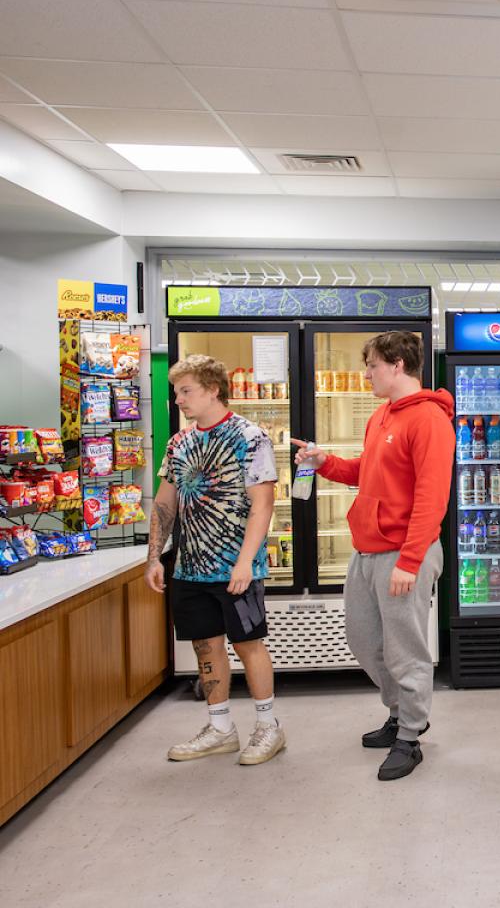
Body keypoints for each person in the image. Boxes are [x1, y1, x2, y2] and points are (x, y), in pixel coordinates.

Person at [293, 331, 454, 781]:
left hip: (404, 552)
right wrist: (324, 461)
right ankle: (399, 712)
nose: (366, 375)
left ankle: (410, 735)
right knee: (366, 641)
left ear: (398, 365)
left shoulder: (429, 419)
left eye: (373, 366)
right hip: (367, 550)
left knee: (406, 649)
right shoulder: (382, 415)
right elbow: (366, 472)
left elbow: (431, 497)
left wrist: (410, 559)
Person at [146, 354, 286, 766]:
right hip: (189, 567)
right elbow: (164, 503)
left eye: (186, 391)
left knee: (248, 644)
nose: (179, 400)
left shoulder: (250, 437)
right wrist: (154, 556)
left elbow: (263, 505)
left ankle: (268, 727)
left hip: (236, 566)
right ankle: (221, 727)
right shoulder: (179, 443)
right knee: (205, 646)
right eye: (177, 392)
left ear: (212, 389)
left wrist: (245, 562)